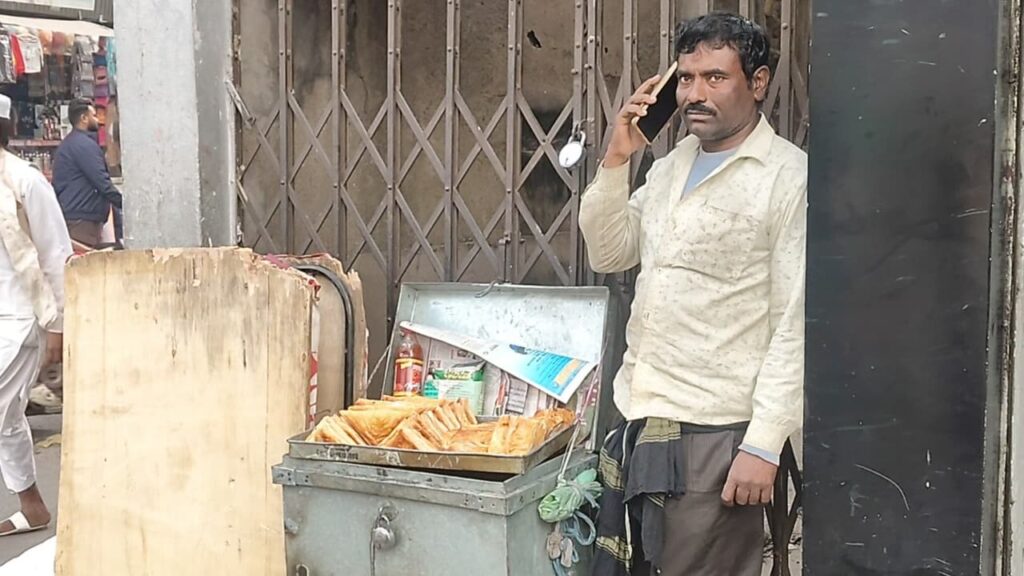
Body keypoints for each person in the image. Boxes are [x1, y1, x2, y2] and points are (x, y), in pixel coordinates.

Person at [580, 13, 806, 576]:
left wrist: (764, 444)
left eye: (715, 78)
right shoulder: (672, 165)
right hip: (638, 419)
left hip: (716, 437)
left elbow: (796, 319)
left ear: (757, 83)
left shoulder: (787, 177)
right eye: (685, 79)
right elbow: (609, 252)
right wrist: (617, 157)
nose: (694, 95)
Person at [0, 94, 71, 536]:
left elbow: (56, 255)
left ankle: (32, 504)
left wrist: (58, 326)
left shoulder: (24, 182)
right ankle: (32, 506)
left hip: (23, 319)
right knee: (7, 417)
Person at [53, 98, 122, 248]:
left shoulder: (72, 144)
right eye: (94, 116)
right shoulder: (83, 145)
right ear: (84, 118)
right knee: (84, 260)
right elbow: (101, 182)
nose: (99, 121)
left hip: (77, 216)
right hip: (81, 220)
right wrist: (124, 203)